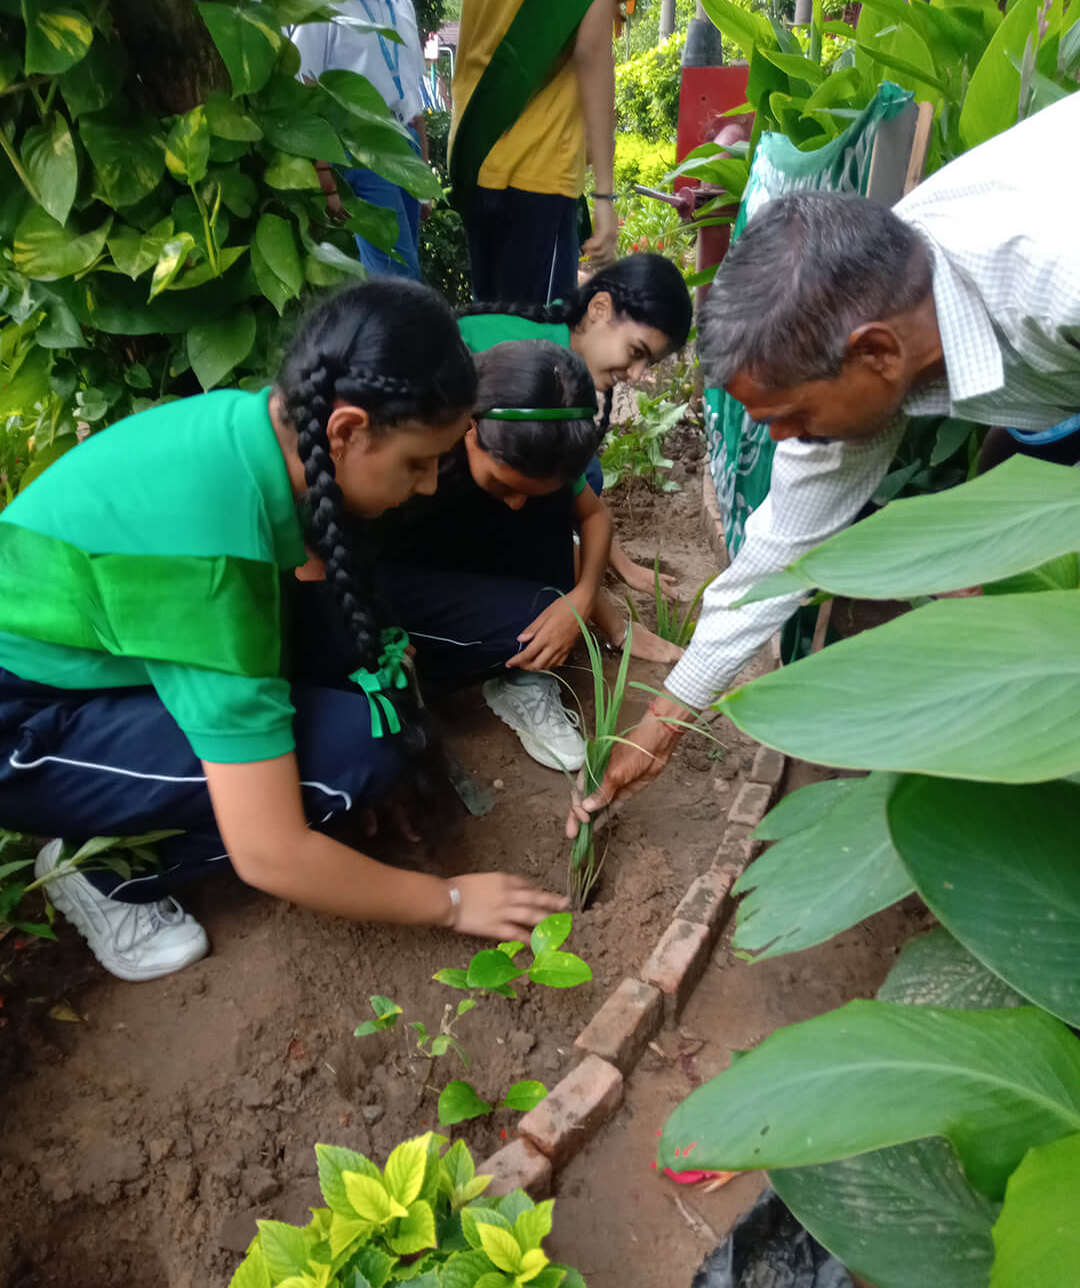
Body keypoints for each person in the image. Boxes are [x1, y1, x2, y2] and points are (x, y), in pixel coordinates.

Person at [0, 281, 564, 984]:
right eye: (417, 463)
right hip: (24, 721)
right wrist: (448, 902)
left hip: (97, 662)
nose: (426, 486)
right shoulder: (211, 562)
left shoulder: (252, 428)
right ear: (346, 431)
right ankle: (105, 869)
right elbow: (270, 853)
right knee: (345, 766)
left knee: (361, 727)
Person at [568, 90, 1080, 833]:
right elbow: (774, 559)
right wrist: (659, 728)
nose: (787, 441)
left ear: (876, 354)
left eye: (795, 418)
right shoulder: (885, 312)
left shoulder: (1056, 274)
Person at [364, 338, 679, 771]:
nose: (515, 502)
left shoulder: (532, 441)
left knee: (557, 505)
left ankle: (523, 677)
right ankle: (480, 666)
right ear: (469, 428)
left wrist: (587, 600)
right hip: (390, 584)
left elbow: (594, 516)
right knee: (536, 619)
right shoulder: (413, 447)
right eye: (503, 483)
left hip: (460, 554)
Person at [459, 252, 695, 603]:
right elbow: (551, 504)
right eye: (636, 352)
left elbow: (580, 499)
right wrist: (598, 607)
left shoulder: (559, 364)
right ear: (599, 308)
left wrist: (620, 565)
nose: (635, 375)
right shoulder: (528, 368)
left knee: (586, 473)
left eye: (648, 362)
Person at [450, 0, 619, 302]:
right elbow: (591, 51)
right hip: (540, 160)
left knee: (490, 319)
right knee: (532, 327)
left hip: (476, 148)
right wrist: (604, 194)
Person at [292, 0, 430, 280]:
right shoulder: (324, 4)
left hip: (406, 138)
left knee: (403, 267)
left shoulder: (401, 2)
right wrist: (323, 172)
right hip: (362, 149)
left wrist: (424, 170)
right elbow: (305, 84)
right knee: (396, 274)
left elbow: (411, 87)